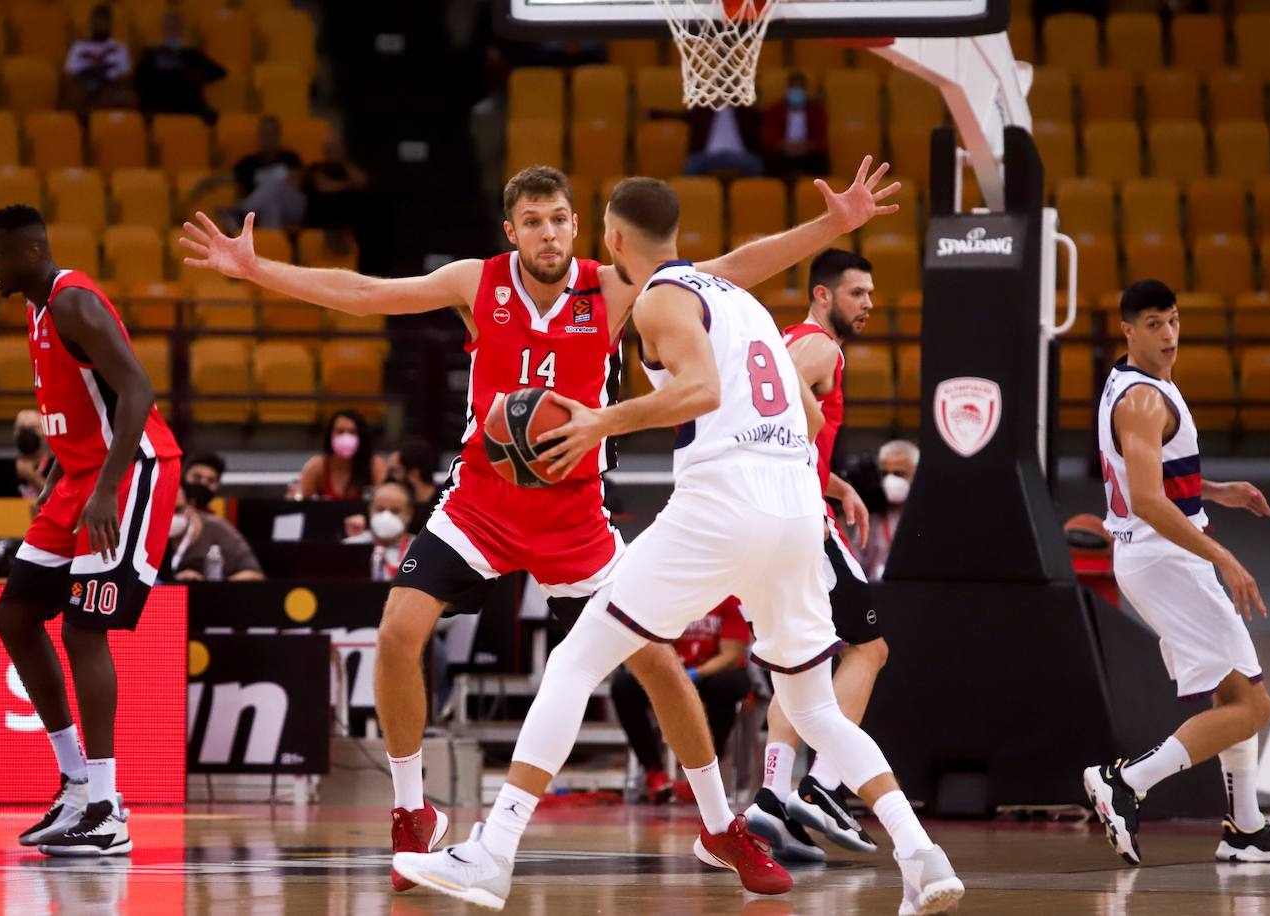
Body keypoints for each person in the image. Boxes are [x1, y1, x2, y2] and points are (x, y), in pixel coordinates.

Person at [179, 162, 890, 894]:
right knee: (397, 630)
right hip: (481, 504)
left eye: (560, 218)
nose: (549, 232)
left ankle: (720, 826)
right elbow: (366, 295)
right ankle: (411, 812)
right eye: (535, 221)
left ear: (579, 227)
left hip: (574, 519)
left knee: (658, 666)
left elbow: (731, 268)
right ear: (510, 230)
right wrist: (256, 269)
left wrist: (832, 227)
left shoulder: (615, 288)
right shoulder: (475, 282)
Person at [393, 174, 965, 916]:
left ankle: (492, 855)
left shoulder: (662, 299)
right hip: (793, 512)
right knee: (816, 709)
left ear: (611, 238)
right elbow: (806, 411)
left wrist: (602, 422)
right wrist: (828, 227)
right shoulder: (744, 303)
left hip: (721, 507)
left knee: (574, 662)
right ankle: (922, 855)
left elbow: (696, 392)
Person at [1084, 279, 1270, 866]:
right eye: (1154, 324)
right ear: (1128, 329)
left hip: (1158, 554)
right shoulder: (1142, 399)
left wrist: (1215, 490)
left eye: (1174, 321)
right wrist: (1224, 557)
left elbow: (1154, 475)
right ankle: (1126, 780)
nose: (1168, 335)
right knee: (1254, 706)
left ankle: (1245, 827)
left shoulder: (1133, 383)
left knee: (1236, 692)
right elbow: (1149, 498)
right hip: (1166, 557)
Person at [0, 205, 182, 856]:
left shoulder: (72, 301)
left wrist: (102, 489)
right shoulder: (34, 305)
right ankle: (73, 785)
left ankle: (107, 806)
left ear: (33, 251)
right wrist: (65, 474)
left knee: (81, 626)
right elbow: (78, 404)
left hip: (128, 472)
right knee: (14, 615)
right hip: (76, 478)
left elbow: (138, 389)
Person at [744, 249, 883, 861]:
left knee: (800, 663)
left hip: (774, 517)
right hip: (800, 524)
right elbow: (774, 422)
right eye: (858, 294)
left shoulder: (790, 342)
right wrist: (809, 487)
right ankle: (824, 784)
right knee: (871, 647)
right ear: (824, 296)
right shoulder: (818, 347)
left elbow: (788, 432)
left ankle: (773, 799)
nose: (869, 305)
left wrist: (836, 481)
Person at [613, 595, 751, 804]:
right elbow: (650, 646)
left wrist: (695, 673)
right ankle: (653, 772)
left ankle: (705, 773)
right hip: (670, 671)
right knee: (624, 686)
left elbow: (731, 655)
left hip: (709, 674)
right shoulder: (668, 593)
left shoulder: (729, 599)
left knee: (729, 686)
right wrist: (673, 673)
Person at [135, 10, 227, 124]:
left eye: (176, 25)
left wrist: (198, 76)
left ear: (182, 28)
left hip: (188, 105)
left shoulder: (193, 54)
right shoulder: (150, 54)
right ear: (164, 28)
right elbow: (139, 80)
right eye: (169, 25)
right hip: (158, 106)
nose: (173, 28)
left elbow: (219, 72)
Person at [164, 486, 264, 582]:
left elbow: (255, 575)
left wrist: (210, 586)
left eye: (177, 510)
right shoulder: (149, 532)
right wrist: (173, 582)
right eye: (164, 510)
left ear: (191, 505)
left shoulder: (218, 529)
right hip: (160, 597)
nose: (171, 516)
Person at [234, 116, 306, 230]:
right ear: (259, 135)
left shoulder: (291, 158)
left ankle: (242, 212)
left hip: (291, 205)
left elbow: (297, 185)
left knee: (273, 185)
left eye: (272, 133)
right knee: (271, 205)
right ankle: (273, 242)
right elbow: (239, 190)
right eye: (265, 133)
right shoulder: (247, 163)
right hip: (264, 209)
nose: (268, 138)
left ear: (279, 135)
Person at [296, 410, 386, 500]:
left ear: (361, 436)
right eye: (340, 431)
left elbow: (385, 502)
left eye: (352, 432)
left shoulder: (374, 464)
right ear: (330, 435)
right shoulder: (317, 466)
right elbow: (302, 503)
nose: (346, 437)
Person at [863, 439, 919, 581]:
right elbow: (856, 561)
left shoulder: (928, 517)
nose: (890, 480)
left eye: (899, 474)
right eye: (885, 473)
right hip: (876, 594)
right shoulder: (870, 516)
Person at [64, 5, 133, 116]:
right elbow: (69, 73)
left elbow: (126, 75)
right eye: (95, 20)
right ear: (90, 22)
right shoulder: (79, 46)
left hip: (110, 86)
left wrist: (106, 84)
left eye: (103, 21)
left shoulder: (120, 48)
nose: (98, 24)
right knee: (74, 93)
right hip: (84, 84)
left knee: (127, 97)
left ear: (110, 24)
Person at [344, 481, 417, 581]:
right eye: (380, 509)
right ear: (370, 509)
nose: (386, 516)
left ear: (409, 514)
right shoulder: (349, 547)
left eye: (395, 511)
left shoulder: (420, 550)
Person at [762, 72, 829, 178]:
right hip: (783, 151)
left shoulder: (817, 111)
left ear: (805, 90)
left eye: (800, 88)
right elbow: (770, 134)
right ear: (788, 89)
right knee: (770, 160)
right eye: (794, 87)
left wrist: (807, 146)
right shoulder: (774, 109)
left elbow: (820, 137)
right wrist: (784, 145)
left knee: (821, 160)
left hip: (808, 152)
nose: (797, 91)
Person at [303, 137, 369, 235]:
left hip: (349, 224)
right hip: (322, 223)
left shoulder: (348, 168)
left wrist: (344, 163)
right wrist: (350, 184)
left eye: (335, 148)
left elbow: (362, 182)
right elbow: (324, 186)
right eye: (329, 148)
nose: (332, 151)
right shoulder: (317, 167)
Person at [682, 107, 764, 177]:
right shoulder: (703, 110)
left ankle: (749, 194)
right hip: (708, 155)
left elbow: (758, 121)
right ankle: (696, 194)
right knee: (691, 165)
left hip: (738, 155)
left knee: (755, 164)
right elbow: (686, 116)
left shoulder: (744, 111)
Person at [386, 437, 440, 534]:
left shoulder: (442, 508)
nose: (391, 478)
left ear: (414, 473)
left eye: (396, 471)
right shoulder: (391, 505)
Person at [15, 408, 53, 501]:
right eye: (21, 428)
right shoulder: (1, 465)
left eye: (33, 428)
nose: (26, 432)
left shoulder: (57, 465)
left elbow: (58, 498)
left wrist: (30, 475)